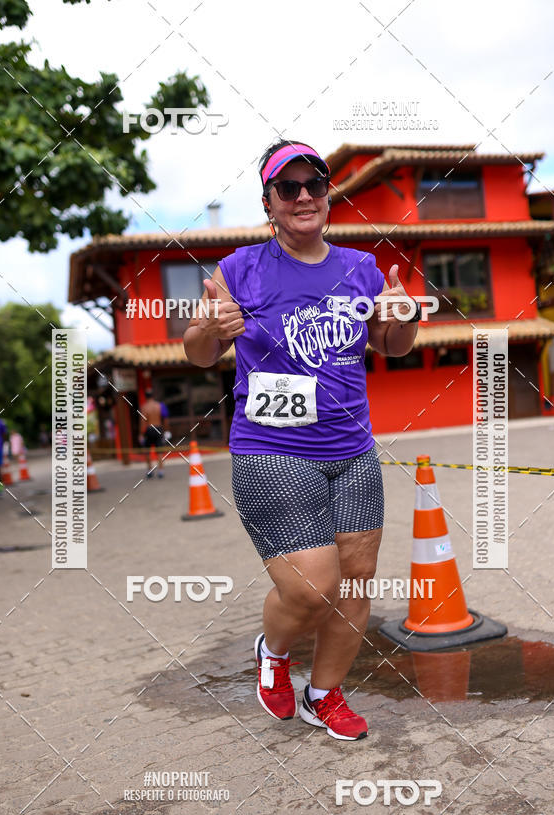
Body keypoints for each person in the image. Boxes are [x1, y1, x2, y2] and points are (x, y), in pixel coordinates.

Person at [184, 139, 420, 741]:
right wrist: (212, 329)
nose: (304, 196)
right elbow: (199, 353)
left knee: (358, 579)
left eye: (313, 184)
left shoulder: (361, 269)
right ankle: (275, 649)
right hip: (273, 450)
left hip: (353, 450)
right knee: (314, 587)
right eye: (287, 189)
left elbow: (390, 347)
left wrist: (402, 318)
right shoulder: (239, 269)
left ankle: (325, 693)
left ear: (327, 193)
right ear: (269, 203)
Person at [138, 388, 168, 477]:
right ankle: (161, 471)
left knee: (147, 450)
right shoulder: (159, 405)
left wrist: (141, 434)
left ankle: (150, 470)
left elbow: (143, 422)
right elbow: (165, 419)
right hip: (158, 428)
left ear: (145, 397)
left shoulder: (144, 407)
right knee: (159, 451)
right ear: (153, 396)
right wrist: (166, 430)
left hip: (149, 429)